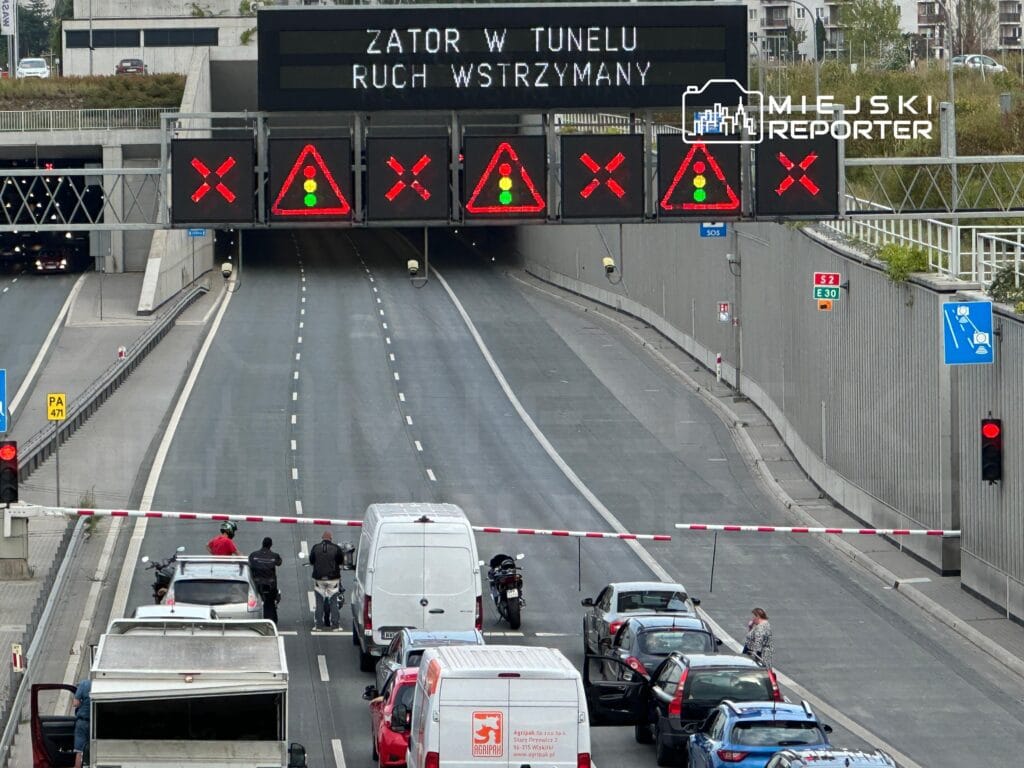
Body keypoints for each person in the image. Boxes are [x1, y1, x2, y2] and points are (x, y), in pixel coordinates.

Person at [309, 530, 345, 630]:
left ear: (322, 538)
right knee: (333, 601)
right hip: (333, 579)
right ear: (331, 538)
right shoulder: (336, 548)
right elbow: (340, 561)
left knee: (319, 601)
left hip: (319, 579)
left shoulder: (315, 547)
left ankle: (318, 625)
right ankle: (335, 625)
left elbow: (311, 560)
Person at [249, 536, 283, 623]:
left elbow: (250, 564)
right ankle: (272, 620)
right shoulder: (274, 556)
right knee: (271, 601)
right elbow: (279, 563)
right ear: (270, 545)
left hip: (257, 583)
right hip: (271, 584)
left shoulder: (253, 555)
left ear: (262, 544)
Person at [73, 678, 91, 768]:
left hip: (83, 722)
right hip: (96, 723)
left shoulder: (84, 684)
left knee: (79, 750)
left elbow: (75, 703)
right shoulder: (105, 684)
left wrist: (83, 704)